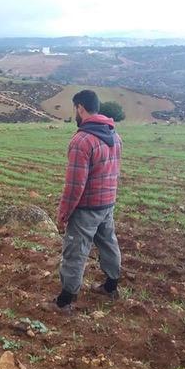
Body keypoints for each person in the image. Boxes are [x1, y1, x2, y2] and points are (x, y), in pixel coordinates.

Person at [51, 89, 123, 313]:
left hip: (86, 208)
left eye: (75, 109)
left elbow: (74, 186)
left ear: (80, 107)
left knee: (75, 251)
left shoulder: (82, 140)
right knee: (108, 243)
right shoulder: (114, 136)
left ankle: (65, 301)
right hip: (107, 203)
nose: (75, 113)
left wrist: (63, 214)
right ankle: (111, 286)